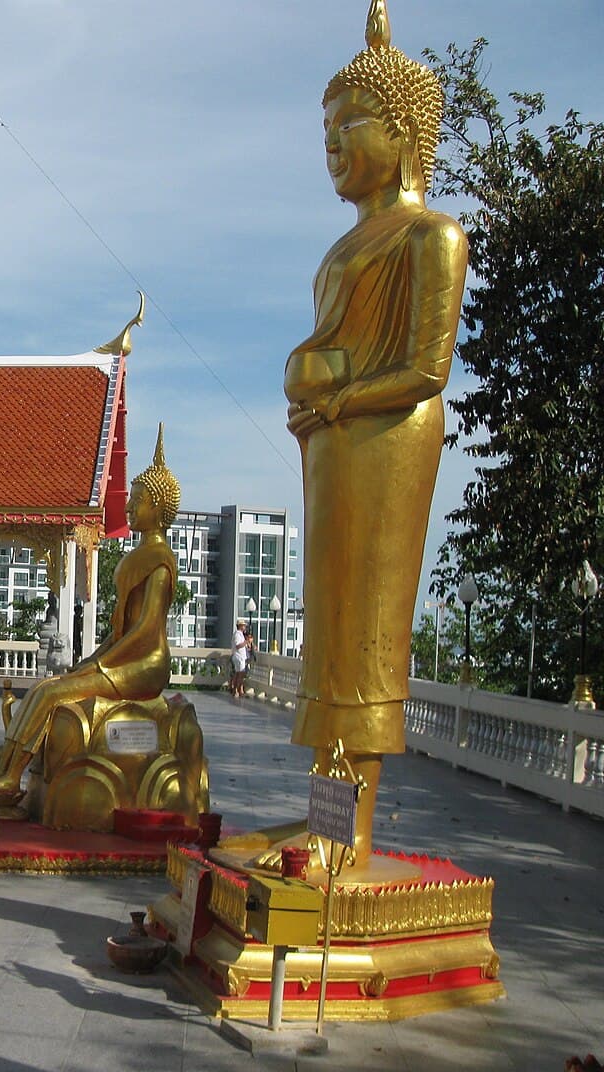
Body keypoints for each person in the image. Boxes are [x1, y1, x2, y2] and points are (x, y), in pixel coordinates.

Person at [281, 0, 467, 864]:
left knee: (368, 634)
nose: (331, 141)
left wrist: (337, 400)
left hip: (386, 434)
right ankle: (324, 815)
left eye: (348, 121)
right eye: (325, 126)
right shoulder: (343, 248)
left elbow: (426, 370)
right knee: (329, 629)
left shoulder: (434, 237)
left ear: (400, 130)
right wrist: (313, 401)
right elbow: (328, 352)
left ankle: (349, 835)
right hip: (333, 445)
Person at [0, 426, 179, 802]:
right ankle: (6, 767)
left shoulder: (159, 561)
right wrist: (91, 659)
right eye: (131, 500)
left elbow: (144, 632)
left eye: (138, 501)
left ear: (158, 507)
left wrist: (99, 666)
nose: (130, 508)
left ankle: (12, 776)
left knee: (53, 692)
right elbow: (120, 628)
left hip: (146, 665)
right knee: (43, 687)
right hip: (124, 657)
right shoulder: (136, 557)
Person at [230, 619, 249, 697]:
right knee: (240, 675)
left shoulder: (240, 634)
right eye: (244, 625)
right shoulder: (237, 634)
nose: (245, 627)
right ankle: (236, 691)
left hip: (239, 657)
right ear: (240, 626)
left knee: (238, 674)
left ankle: (235, 690)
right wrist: (246, 642)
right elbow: (238, 645)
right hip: (239, 657)